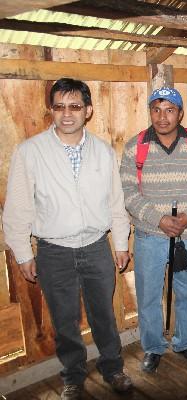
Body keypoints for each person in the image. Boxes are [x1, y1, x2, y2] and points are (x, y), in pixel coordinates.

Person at [3, 78, 133, 399]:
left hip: (96, 247)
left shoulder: (103, 151)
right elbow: (18, 208)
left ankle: (113, 368)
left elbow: (116, 202)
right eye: (59, 106)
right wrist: (23, 253)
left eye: (75, 106)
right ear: (51, 110)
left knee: (104, 315)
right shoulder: (31, 152)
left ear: (88, 111)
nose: (66, 114)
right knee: (64, 321)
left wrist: (120, 243)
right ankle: (73, 376)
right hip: (54, 251)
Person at [120, 87, 187, 373]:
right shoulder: (135, 147)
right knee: (149, 295)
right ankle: (153, 347)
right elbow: (128, 193)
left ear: (180, 113)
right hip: (149, 235)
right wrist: (159, 219)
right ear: (150, 112)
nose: (162, 117)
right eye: (156, 110)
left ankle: (185, 342)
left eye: (170, 110)